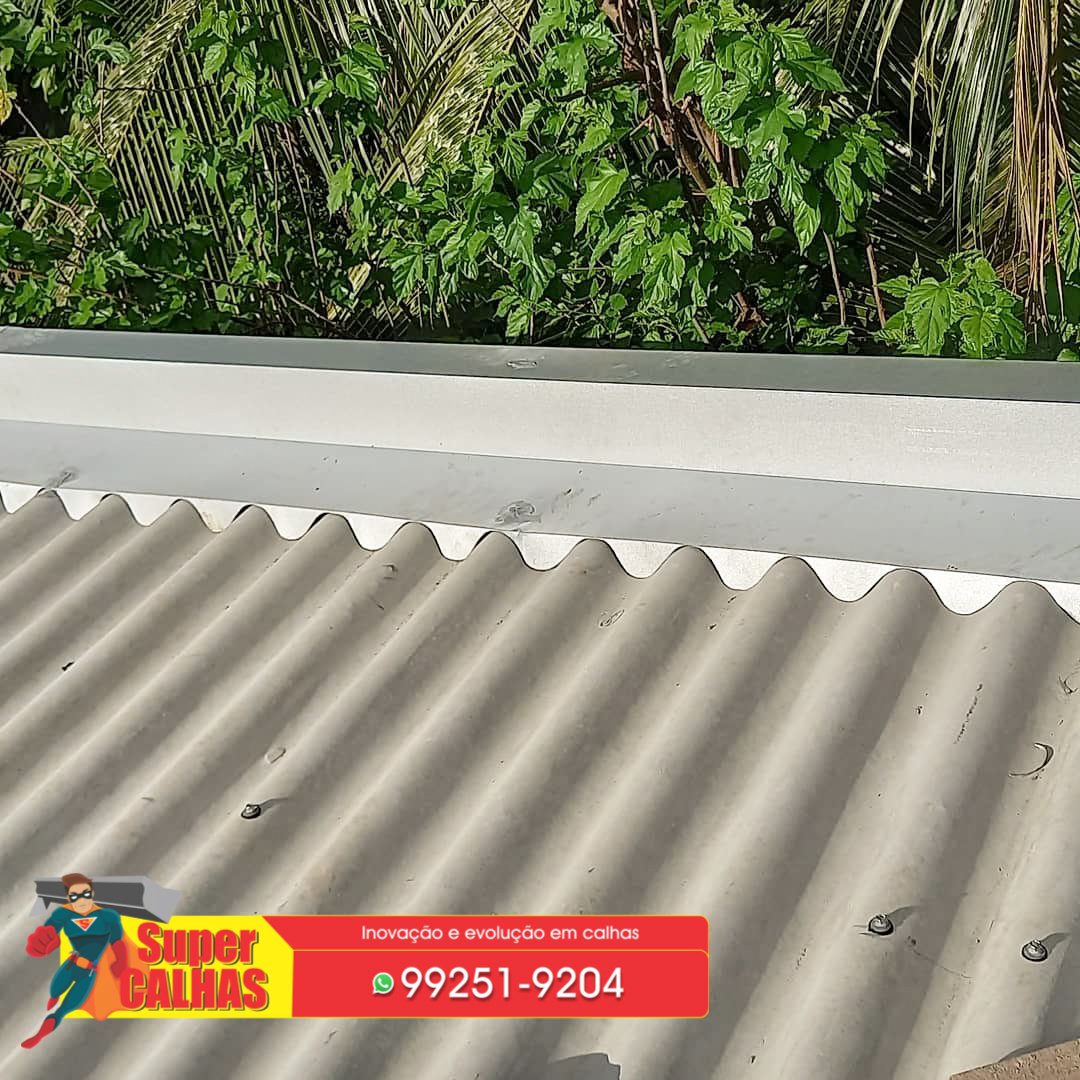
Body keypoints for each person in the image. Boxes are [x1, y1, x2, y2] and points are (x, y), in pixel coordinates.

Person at [20, 873, 130, 1050]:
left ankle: (39, 1035)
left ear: (92, 894)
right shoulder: (63, 914)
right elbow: (50, 929)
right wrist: (47, 940)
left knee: (63, 1010)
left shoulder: (107, 917)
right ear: (68, 897)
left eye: (86, 894)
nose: (81, 900)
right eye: (75, 896)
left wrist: (121, 959)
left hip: (88, 973)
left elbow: (117, 940)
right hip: (70, 965)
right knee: (55, 991)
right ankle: (52, 1000)